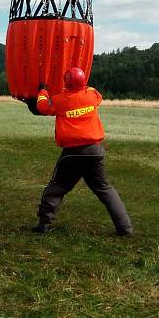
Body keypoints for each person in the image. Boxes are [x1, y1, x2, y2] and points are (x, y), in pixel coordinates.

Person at [31, 67, 133, 236]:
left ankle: (43, 225)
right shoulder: (92, 95)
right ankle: (125, 228)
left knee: (57, 188)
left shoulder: (60, 100)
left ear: (66, 83)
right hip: (95, 151)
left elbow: (42, 106)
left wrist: (43, 90)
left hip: (72, 153)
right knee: (104, 189)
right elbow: (96, 93)